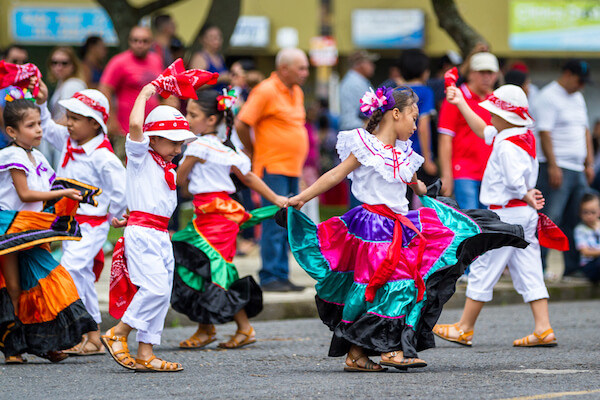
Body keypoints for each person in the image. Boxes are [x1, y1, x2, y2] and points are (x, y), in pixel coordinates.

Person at [282, 86, 528, 372]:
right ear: (395, 114)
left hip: (400, 227)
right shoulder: (364, 145)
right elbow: (335, 174)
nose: (415, 124)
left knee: (396, 286)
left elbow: (415, 185)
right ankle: (388, 350)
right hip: (372, 230)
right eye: (413, 117)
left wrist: (429, 193)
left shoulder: (404, 153)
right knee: (386, 286)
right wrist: (302, 197)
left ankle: (357, 354)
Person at [433, 84, 558, 349]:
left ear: (504, 116)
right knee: (530, 267)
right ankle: (543, 328)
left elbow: (514, 180)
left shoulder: (506, 146)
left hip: (506, 214)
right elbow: (484, 131)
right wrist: (461, 103)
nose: (489, 115)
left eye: (493, 111)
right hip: (523, 215)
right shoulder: (520, 134)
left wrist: (525, 194)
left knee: (484, 265)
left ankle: (464, 328)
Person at [171, 90, 287, 350]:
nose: (188, 119)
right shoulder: (223, 148)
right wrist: (275, 198)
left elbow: (180, 180)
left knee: (209, 266)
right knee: (204, 266)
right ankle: (210, 328)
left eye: (193, 115)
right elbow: (247, 178)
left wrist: (187, 162)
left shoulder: (200, 145)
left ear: (211, 120)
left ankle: (238, 328)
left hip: (215, 216)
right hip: (216, 213)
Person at [101, 84, 196, 372]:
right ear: (152, 139)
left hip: (159, 234)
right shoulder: (140, 156)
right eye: (173, 142)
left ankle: (146, 352)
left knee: (162, 292)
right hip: (143, 236)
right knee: (153, 288)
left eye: (181, 143)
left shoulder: (165, 165)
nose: (178, 149)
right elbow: (133, 124)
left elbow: (150, 202)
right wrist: (146, 93)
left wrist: (129, 216)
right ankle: (119, 332)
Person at [0, 95, 97, 364]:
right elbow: (26, 193)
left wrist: (76, 193)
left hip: (35, 228)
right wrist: (65, 191)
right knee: (15, 288)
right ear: (12, 131)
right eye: (31, 125)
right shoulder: (10, 155)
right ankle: (14, 348)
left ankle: (48, 342)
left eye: (39, 123)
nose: (39, 130)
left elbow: (49, 191)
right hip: (10, 229)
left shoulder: (39, 156)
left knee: (47, 283)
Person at [36, 80, 126, 356]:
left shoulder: (103, 157)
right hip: (67, 224)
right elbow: (49, 128)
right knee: (80, 274)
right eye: (69, 117)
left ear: (95, 123)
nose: (68, 123)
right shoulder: (67, 139)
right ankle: (92, 335)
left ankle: (84, 332)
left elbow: (121, 191)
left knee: (71, 269)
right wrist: (41, 102)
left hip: (92, 225)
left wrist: (118, 218)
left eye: (75, 118)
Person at [235, 48, 309, 292]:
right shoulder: (266, 90)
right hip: (272, 166)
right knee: (274, 222)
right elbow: (242, 122)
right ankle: (269, 276)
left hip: (291, 168)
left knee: (288, 223)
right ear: (284, 68)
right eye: (301, 68)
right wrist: (253, 151)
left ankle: (281, 274)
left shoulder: (296, 91)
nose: (306, 73)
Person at [531, 59, 594, 277]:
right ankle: (540, 267)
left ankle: (573, 268)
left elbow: (585, 130)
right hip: (556, 167)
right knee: (551, 217)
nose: (582, 86)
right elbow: (545, 133)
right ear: (567, 74)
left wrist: (589, 162)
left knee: (575, 218)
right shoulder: (548, 96)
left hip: (577, 167)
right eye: (579, 80)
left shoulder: (577, 97)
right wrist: (554, 166)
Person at [438, 52, 499, 208]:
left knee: (490, 225)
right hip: (463, 172)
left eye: (490, 72)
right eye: (481, 72)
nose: (486, 77)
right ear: (471, 73)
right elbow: (445, 138)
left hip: (492, 174)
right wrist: (446, 174)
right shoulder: (455, 97)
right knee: (470, 224)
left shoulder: (496, 100)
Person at [99, 26, 163, 155]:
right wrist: (110, 120)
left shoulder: (156, 60)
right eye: (135, 40)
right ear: (129, 41)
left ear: (151, 42)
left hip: (152, 130)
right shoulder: (119, 62)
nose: (139, 44)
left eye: (144, 41)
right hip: (125, 130)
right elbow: (105, 89)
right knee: (124, 168)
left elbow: (161, 89)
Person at [398, 49, 437, 186]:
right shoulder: (426, 92)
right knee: (427, 195)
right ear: (424, 71)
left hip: (399, 153)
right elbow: (423, 127)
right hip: (418, 153)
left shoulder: (397, 92)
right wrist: (427, 159)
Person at [339, 50, 377, 132]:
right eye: (369, 62)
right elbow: (349, 120)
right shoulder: (353, 83)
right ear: (359, 64)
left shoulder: (360, 80)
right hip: (355, 134)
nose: (373, 66)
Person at [47, 47, 87, 123]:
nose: (59, 67)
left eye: (64, 63)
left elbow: (68, 119)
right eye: (54, 63)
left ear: (73, 65)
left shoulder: (72, 85)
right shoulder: (62, 82)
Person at [0, 45, 29, 146]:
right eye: (14, 61)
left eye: (23, 62)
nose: (19, 65)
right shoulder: (2, 83)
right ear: (4, 61)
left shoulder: (25, 83)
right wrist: (14, 141)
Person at [189, 25, 229, 91]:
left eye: (219, 36)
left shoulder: (220, 57)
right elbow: (194, 83)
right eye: (212, 37)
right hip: (205, 99)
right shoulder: (200, 58)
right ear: (202, 39)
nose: (217, 39)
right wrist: (219, 78)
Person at [574, 193, 600, 283]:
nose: (589, 216)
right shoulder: (580, 230)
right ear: (580, 213)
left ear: (599, 211)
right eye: (586, 212)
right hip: (589, 265)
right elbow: (585, 252)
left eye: (593, 212)